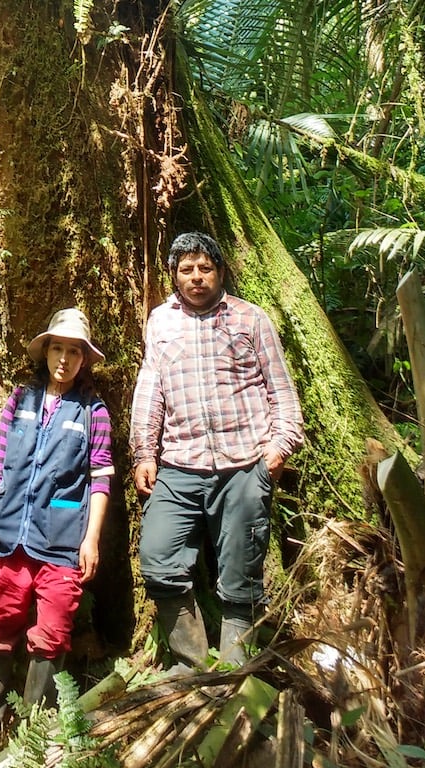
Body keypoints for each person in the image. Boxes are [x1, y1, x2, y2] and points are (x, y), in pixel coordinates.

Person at [129, 232, 304, 670]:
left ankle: (233, 670)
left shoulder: (251, 319)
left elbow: (281, 389)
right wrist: (143, 453)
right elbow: (149, 391)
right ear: (174, 276)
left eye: (205, 268)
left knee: (241, 572)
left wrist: (278, 448)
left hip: (245, 462)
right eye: (186, 270)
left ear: (221, 272)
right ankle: (192, 665)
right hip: (178, 464)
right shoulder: (161, 323)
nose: (196, 278)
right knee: (157, 558)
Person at [0, 308, 114, 746]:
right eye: (57, 349)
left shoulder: (94, 411)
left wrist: (91, 539)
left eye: (74, 352)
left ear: (84, 359)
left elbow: (101, 477)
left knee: (52, 633)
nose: (64, 359)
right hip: (10, 534)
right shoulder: (20, 400)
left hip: (62, 541)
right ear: (46, 352)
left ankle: (31, 744)